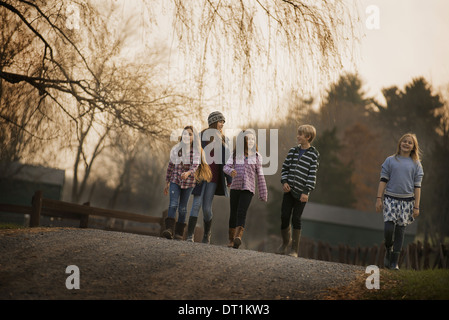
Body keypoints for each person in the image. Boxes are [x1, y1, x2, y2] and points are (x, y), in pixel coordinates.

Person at [376, 133, 423, 270]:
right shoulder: (390, 160)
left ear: (413, 146)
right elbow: (383, 180)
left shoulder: (416, 164)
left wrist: (416, 206)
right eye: (404, 141)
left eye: (410, 142)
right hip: (390, 198)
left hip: (407, 201)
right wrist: (379, 198)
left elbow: (417, 187)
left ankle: (394, 262)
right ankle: (388, 248)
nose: (406, 144)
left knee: (400, 231)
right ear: (400, 143)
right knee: (389, 228)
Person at [185, 112, 233, 243]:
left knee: (206, 208)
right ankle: (190, 236)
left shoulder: (224, 139)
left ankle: (207, 234)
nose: (222, 124)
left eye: (223, 122)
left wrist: (229, 180)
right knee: (196, 205)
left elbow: (226, 161)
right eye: (220, 121)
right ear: (213, 122)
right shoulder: (200, 137)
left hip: (214, 178)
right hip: (200, 176)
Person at [163, 126, 211, 240]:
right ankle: (169, 230)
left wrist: (188, 173)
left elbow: (195, 166)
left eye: (190, 134)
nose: (187, 136)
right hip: (175, 180)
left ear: (193, 138)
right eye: (185, 134)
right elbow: (170, 166)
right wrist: (167, 182)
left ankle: (179, 233)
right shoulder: (176, 149)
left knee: (183, 208)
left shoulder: (195, 151)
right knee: (173, 204)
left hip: (189, 183)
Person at [278, 125, 319, 257]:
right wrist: (284, 182)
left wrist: (306, 191)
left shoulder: (314, 155)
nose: (298, 136)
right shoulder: (292, 151)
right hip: (289, 191)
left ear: (308, 137)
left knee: (296, 218)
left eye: (300, 135)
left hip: (302, 193)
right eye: (298, 134)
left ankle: (294, 249)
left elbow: (312, 174)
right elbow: (284, 168)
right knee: (284, 216)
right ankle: (285, 242)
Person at [223, 129, 268, 249]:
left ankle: (238, 237)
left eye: (253, 139)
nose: (251, 141)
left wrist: (263, 193)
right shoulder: (235, 154)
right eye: (249, 139)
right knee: (233, 212)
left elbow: (260, 176)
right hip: (235, 187)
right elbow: (226, 167)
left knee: (242, 212)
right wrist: (231, 171)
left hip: (248, 188)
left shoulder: (257, 157)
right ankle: (231, 239)